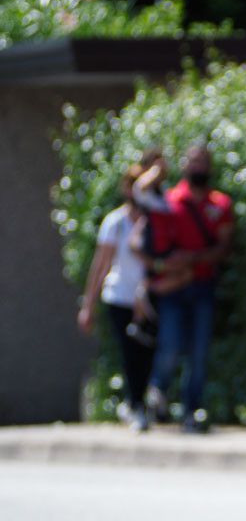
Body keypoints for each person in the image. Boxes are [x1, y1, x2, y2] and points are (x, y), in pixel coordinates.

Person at [141, 143, 235, 433]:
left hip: (203, 286)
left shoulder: (220, 204)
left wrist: (192, 259)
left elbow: (223, 248)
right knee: (169, 346)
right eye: (193, 161)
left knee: (199, 352)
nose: (198, 167)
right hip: (173, 287)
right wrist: (163, 267)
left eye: (203, 161)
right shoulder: (170, 200)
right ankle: (157, 393)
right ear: (184, 165)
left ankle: (191, 411)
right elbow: (148, 239)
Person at [77, 153, 161, 432]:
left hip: (149, 298)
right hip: (120, 297)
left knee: (149, 352)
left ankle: (143, 403)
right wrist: (88, 305)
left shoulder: (155, 218)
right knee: (130, 352)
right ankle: (136, 405)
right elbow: (100, 265)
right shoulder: (116, 222)